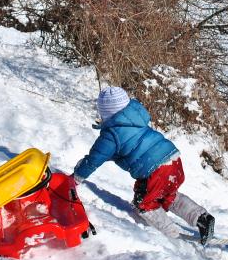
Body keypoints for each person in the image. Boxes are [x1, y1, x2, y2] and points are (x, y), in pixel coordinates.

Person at [72, 86, 215, 244]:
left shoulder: (111, 135)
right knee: (168, 194)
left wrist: (76, 177)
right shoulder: (135, 119)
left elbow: (94, 159)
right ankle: (201, 217)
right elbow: (128, 145)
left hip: (154, 169)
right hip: (173, 158)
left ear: (106, 112)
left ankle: (173, 237)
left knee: (144, 204)